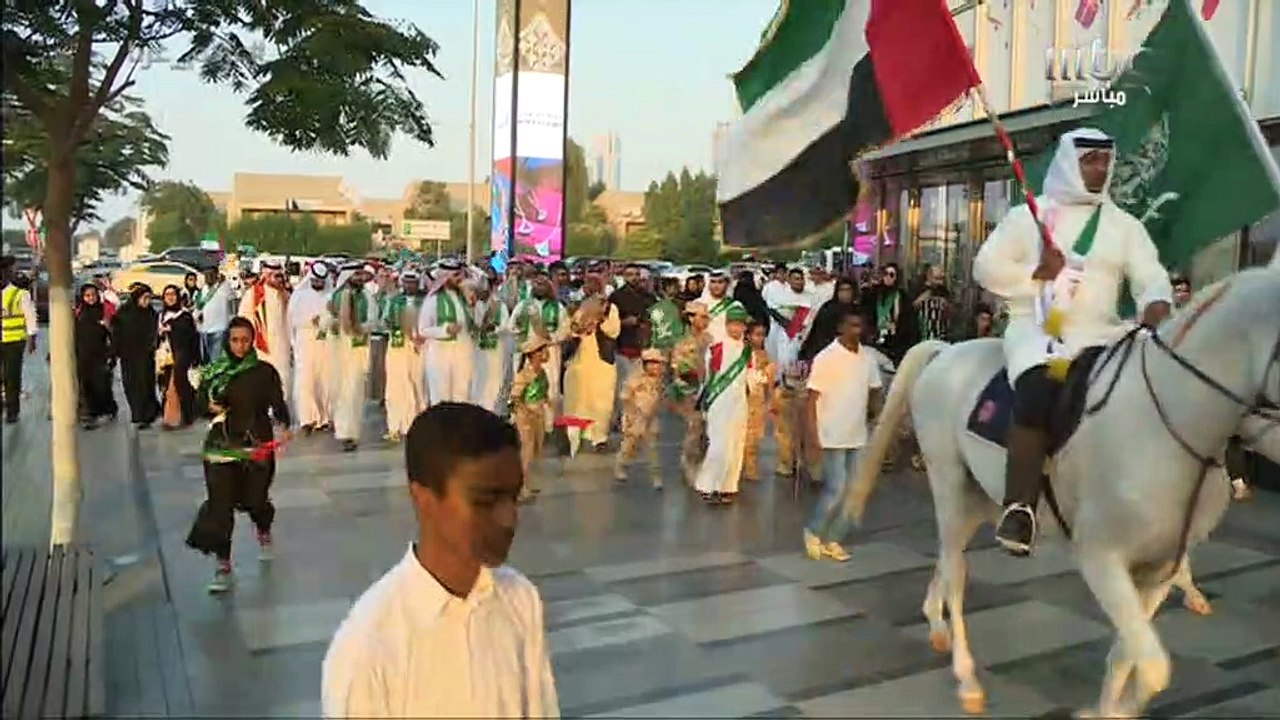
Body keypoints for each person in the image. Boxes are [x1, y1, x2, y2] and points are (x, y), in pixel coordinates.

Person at [973, 127, 1173, 557]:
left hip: (1102, 334)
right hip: (1043, 334)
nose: (1100, 169)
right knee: (1040, 389)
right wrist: (1036, 275)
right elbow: (985, 268)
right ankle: (1020, 506)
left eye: (1105, 161)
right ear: (1068, 164)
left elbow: (1151, 276)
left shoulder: (1123, 225)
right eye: (1090, 161)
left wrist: (1156, 302)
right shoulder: (1029, 217)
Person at [322, 403, 559, 718]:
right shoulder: (369, 646)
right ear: (423, 499)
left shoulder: (520, 599)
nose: (509, 520)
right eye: (485, 501)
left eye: (513, 498)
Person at [186, 317, 292, 592]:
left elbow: (277, 402)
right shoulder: (214, 372)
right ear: (227, 341)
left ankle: (263, 529)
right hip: (220, 446)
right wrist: (208, 407)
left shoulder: (264, 371)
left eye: (245, 340)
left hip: (256, 445)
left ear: (252, 340)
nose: (240, 346)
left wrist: (284, 425)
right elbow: (197, 406)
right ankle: (223, 566)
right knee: (220, 505)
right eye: (235, 340)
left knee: (255, 499)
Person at [803, 308, 883, 562]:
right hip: (831, 434)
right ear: (840, 328)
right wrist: (812, 436)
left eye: (860, 326)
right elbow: (811, 400)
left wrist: (877, 417)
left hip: (857, 435)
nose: (856, 331)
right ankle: (814, 531)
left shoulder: (867, 358)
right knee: (836, 488)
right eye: (851, 326)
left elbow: (875, 390)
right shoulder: (826, 358)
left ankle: (834, 539)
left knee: (854, 492)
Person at [693, 302, 753, 505]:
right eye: (733, 324)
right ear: (727, 325)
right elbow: (709, 374)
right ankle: (707, 484)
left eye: (740, 324)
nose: (736, 328)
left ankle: (728, 486)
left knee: (736, 443)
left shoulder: (747, 350)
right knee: (719, 444)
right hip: (719, 400)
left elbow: (750, 375)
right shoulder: (718, 346)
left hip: (739, 401)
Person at [562, 274, 621, 452]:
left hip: (601, 360)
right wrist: (579, 327)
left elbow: (614, 331)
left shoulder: (609, 308)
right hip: (579, 361)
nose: (591, 287)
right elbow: (568, 330)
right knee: (577, 399)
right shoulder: (577, 306)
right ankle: (574, 438)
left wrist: (599, 319)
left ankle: (599, 438)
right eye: (588, 283)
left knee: (601, 400)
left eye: (595, 284)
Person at [328, 263, 376, 452]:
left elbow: (374, 320)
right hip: (338, 349)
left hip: (358, 349)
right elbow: (325, 319)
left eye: (361, 275)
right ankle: (341, 430)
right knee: (340, 390)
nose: (360, 279)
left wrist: (361, 328)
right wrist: (333, 323)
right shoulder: (335, 296)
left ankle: (350, 434)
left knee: (354, 391)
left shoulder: (367, 296)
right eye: (356, 275)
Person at [418, 260, 476, 405]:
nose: (460, 279)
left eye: (460, 275)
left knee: (462, 395)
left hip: (463, 350)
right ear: (445, 277)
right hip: (440, 353)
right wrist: (445, 330)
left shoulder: (464, 298)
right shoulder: (433, 299)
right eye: (455, 275)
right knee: (441, 395)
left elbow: (475, 323)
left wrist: (472, 302)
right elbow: (423, 329)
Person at [286, 263, 334, 433]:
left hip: (325, 343)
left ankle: (325, 417)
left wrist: (325, 322)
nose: (319, 284)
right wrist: (309, 321)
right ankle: (307, 418)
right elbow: (291, 321)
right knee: (305, 381)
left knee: (325, 380)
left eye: (321, 282)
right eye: (316, 281)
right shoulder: (299, 295)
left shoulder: (331, 296)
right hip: (305, 343)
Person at [237, 259, 292, 401]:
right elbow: (244, 319)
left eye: (280, 276)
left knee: (283, 381)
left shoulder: (285, 295)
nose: (279, 279)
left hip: (282, 346)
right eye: (276, 276)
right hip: (260, 347)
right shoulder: (253, 295)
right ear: (267, 276)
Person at [671, 301, 714, 483]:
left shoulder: (710, 339)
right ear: (690, 318)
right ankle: (689, 464)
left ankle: (704, 464)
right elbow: (678, 369)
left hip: (709, 388)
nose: (705, 321)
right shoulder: (682, 342)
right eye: (701, 317)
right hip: (690, 389)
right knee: (694, 429)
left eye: (706, 317)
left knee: (707, 430)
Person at [613, 348, 667, 488]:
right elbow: (625, 397)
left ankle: (656, 476)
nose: (655, 367)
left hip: (650, 419)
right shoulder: (634, 380)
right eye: (651, 363)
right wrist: (632, 413)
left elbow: (661, 398)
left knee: (652, 449)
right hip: (635, 418)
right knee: (628, 446)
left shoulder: (659, 382)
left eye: (657, 364)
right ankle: (621, 466)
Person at [382, 271, 427, 441]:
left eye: (413, 282)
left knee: (417, 384)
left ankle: (416, 423)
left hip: (419, 346)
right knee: (396, 385)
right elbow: (384, 321)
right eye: (406, 282)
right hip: (397, 346)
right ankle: (395, 425)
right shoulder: (394, 301)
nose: (409, 286)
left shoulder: (424, 301)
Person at [509, 337, 551, 501]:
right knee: (527, 449)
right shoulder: (525, 374)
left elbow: (542, 391)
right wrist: (525, 412)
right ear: (534, 354)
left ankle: (528, 482)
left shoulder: (541, 372)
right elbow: (515, 397)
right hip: (526, 415)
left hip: (538, 413)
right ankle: (519, 487)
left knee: (536, 449)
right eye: (542, 350)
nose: (546, 353)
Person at [113, 285, 160, 428]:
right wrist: (115, 352)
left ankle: (147, 415)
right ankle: (138, 414)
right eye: (144, 298)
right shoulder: (123, 314)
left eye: (149, 298)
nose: (147, 301)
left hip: (146, 356)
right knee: (131, 386)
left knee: (146, 385)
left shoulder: (151, 313)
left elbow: (155, 333)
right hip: (128, 357)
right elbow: (116, 334)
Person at [157, 284, 201, 429]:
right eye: (167, 295)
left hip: (182, 354)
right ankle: (171, 416)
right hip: (166, 355)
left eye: (173, 294)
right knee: (166, 384)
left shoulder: (185, 315)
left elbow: (190, 336)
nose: (170, 297)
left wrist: (172, 328)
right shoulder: (162, 315)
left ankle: (186, 415)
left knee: (180, 383)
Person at [74, 284, 118, 428]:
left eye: (93, 295)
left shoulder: (104, 311)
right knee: (87, 385)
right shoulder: (79, 312)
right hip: (83, 354)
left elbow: (113, 333)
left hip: (101, 354)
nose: (91, 298)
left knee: (102, 384)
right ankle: (92, 413)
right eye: (87, 295)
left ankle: (108, 409)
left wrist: (112, 354)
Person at [1, 256, 38, 423]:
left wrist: (32, 337)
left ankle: (12, 412)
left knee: (12, 377)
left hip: (14, 342)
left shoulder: (19, 294)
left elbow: (30, 316)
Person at [742, 320, 778, 482]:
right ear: (748, 336)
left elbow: (769, 381)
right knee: (743, 435)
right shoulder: (742, 354)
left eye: (763, 335)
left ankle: (750, 467)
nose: (760, 338)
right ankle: (743, 467)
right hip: (744, 398)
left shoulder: (765, 356)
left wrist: (770, 400)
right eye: (757, 334)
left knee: (755, 436)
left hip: (758, 399)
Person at [469, 276, 510, 413]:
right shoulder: (475, 306)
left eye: (482, 291)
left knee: (495, 377)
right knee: (480, 377)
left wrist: (494, 328)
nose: (479, 293)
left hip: (495, 347)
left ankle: (494, 409)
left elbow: (506, 325)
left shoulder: (499, 305)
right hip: (480, 348)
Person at [195, 266, 233, 363]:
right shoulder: (203, 289)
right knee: (206, 363)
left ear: (217, 275)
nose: (209, 277)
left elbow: (233, 302)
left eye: (211, 274)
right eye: (206, 275)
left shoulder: (225, 287)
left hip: (219, 330)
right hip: (204, 331)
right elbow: (199, 306)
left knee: (216, 362)